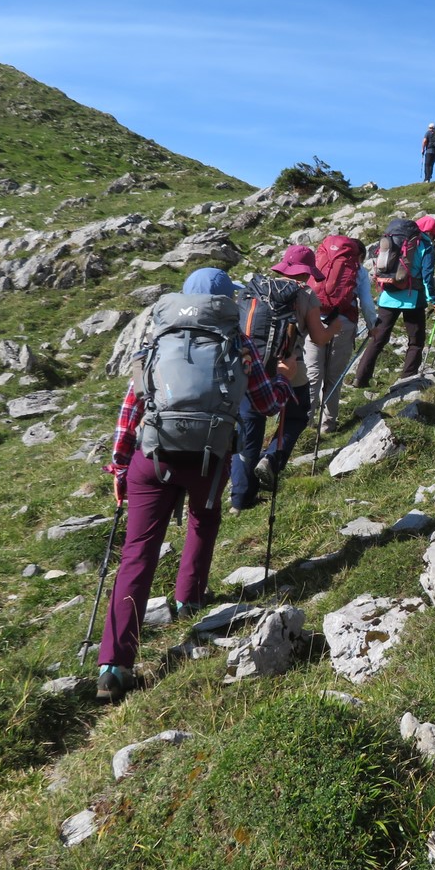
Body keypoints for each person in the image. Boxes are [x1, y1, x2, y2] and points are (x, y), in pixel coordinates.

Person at [97, 267, 292, 701]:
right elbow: (268, 403)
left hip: (152, 456)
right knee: (203, 521)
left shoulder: (157, 340)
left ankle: (114, 662)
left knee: (137, 554)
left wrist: (119, 465)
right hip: (208, 455)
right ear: (228, 303)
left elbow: (133, 404)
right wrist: (281, 374)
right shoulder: (237, 344)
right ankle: (188, 599)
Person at [230, 246, 338, 512]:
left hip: (250, 370)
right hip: (290, 369)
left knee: (247, 433)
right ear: (306, 273)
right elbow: (318, 338)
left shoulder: (252, 288)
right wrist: (336, 327)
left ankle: (240, 500)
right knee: (297, 417)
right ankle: (272, 460)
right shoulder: (305, 294)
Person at [352, 216, 435, 388]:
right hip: (413, 298)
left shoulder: (395, 240)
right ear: (429, 232)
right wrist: (434, 300)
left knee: (378, 338)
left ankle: (360, 377)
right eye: (433, 235)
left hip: (388, 295)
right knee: (415, 341)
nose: (433, 239)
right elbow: (427, 277)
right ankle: (407, 379)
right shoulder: (425, 246)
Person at [305, 236, 377, 435]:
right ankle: (328, 425)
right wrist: (372, 326)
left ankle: (304, 426)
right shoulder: (359, 271)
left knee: (313, 375)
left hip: (314, 320)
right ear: (359, 255)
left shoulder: (322, 263)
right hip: (343, 324)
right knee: (333, 377)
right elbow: (367, 303)